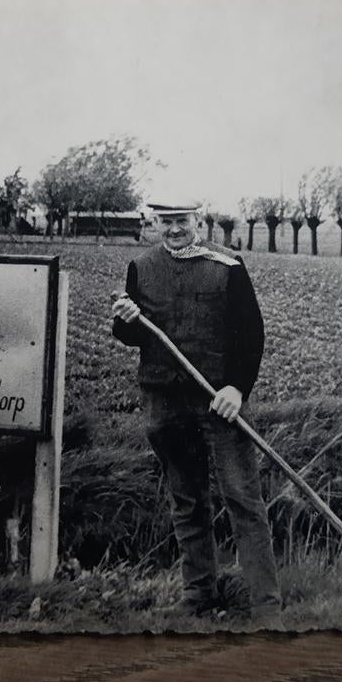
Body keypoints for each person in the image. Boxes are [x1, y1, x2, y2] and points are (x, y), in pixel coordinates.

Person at [111, 202, 282, 626]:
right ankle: (199, 594)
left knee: (242, 498)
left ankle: (265, 606)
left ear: (198, 222)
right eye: (166, 222)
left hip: (218, 401)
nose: (174, 230)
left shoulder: (227, 266)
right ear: (156, 223)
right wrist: (126, 319)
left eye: (182, 221)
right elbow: (130, 335)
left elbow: (251, 334)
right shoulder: (141, 267)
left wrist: (236, 388)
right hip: (164, 402)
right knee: (186, 501)